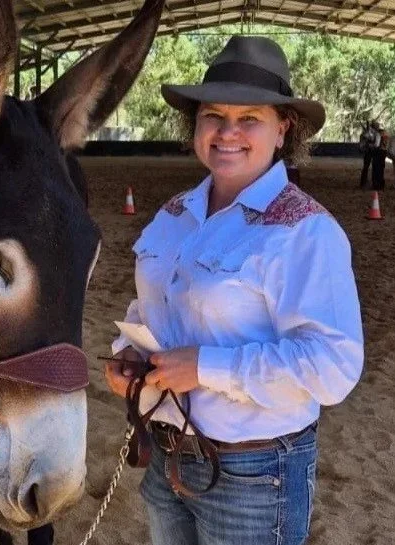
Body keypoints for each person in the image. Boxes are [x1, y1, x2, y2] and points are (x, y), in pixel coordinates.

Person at [105, 35, 363, 545]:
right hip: (168, 454)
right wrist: (130, 355)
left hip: (254, 472)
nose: (228, 132)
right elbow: (153, 305)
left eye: (249, 118)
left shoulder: (305, 231)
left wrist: (203, 368)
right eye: (213, 115)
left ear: (282, 127)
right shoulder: (174, 213)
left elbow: (333, 366)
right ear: (195, 125)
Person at [370, 119, 388, 190]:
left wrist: (370, 145)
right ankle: (381, 184)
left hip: (378, 152)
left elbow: (376, 145)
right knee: (381, 169)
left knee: (376, 169)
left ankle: (376, 185)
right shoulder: (384, 132)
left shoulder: (377, 134)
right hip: (384, 152)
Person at [359, 120, 375, 188]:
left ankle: (365, 182)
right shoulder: (367, 133)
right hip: (369, 151)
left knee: (366, 167)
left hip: (369, 151)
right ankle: (364, 182)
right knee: (366, 167)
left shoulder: (369, 132)